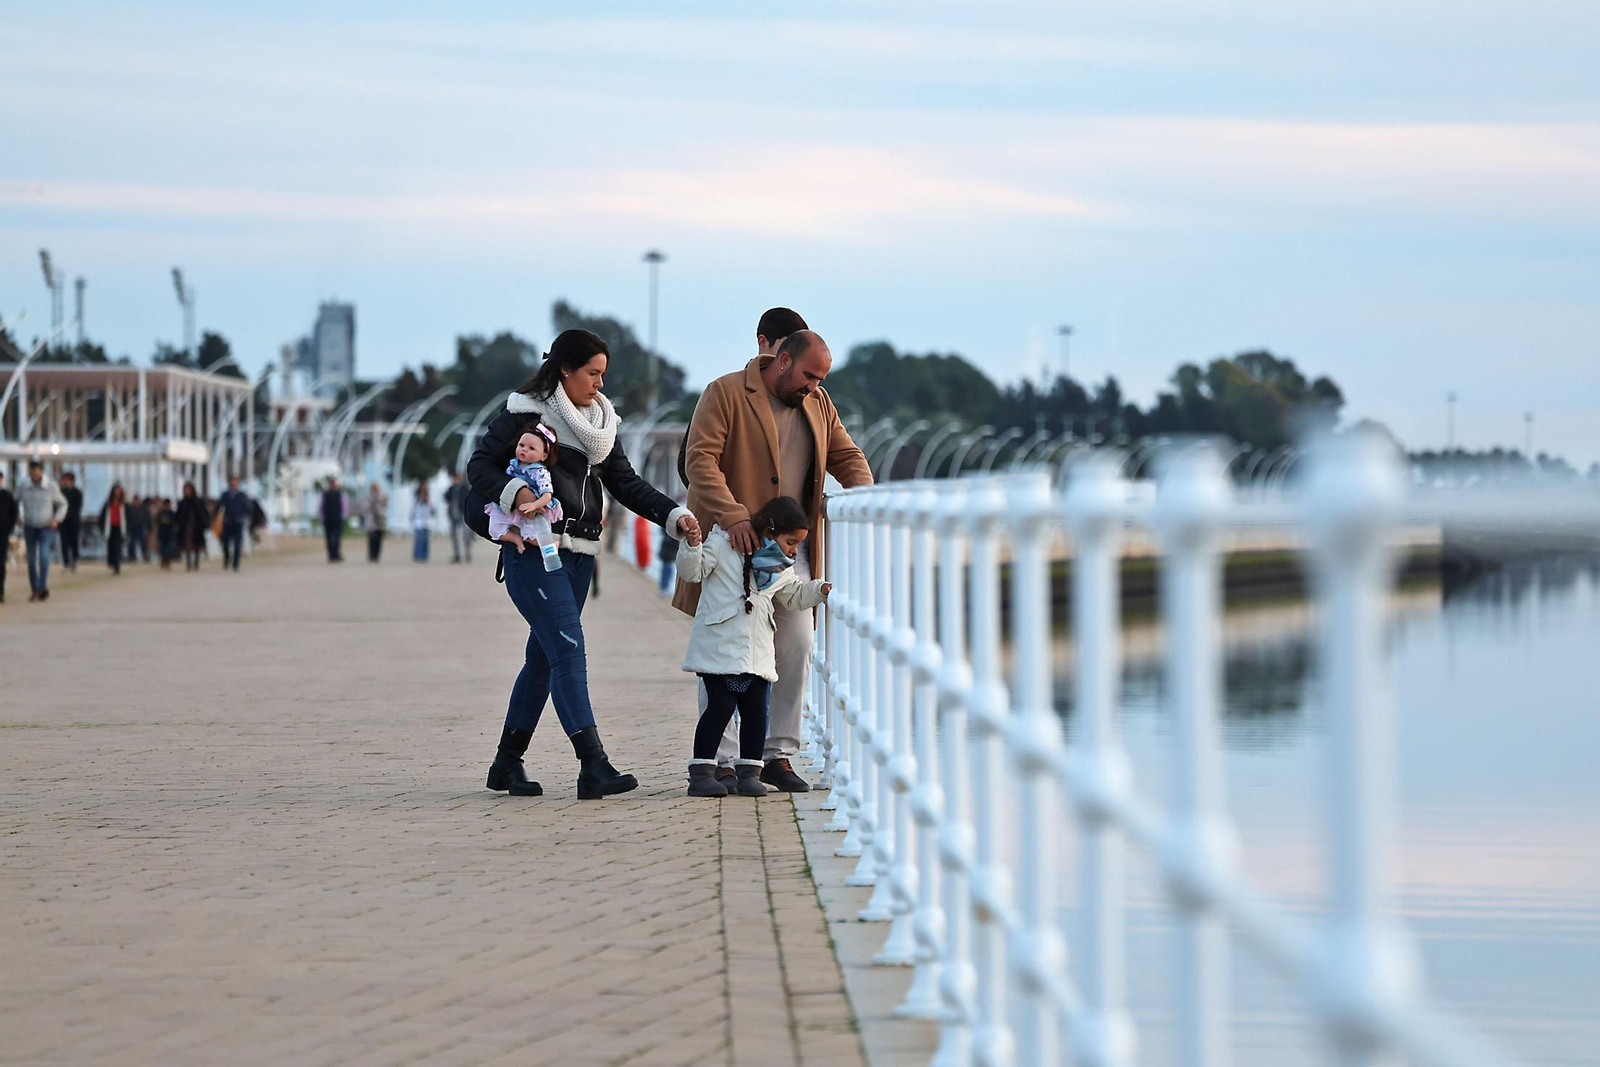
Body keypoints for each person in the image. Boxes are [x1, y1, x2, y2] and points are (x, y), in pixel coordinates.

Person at [467, 327, 700, 799]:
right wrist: (520, 492)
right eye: (592, 373)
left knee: (543, 660)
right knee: (568, 650)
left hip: (580, 558)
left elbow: (626, 483)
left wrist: (675, 517)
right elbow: (480, 468)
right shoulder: (524, 413)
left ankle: (505, 766)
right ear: (565, 370)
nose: (599, 383)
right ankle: (593, 764)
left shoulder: (599, 425)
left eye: (603, 375)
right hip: (535, 552)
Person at [676, 318, 874, 791]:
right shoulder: (723, 393)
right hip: (730, 548)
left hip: (790, 554)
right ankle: (719, 761)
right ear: (782, 360)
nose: (814, 387)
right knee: (724, 655)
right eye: (809, 376)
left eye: (820, 380)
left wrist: (867, 501)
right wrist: (733, 515)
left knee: (797, 645)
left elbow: (848, 458)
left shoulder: (819, 405)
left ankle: (776, 755)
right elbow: (699, 460)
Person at [679, 497, 830, 797]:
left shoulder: (779, 567)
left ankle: (750, 772)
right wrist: (692, 546)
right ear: (770, 530)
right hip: (719, 648)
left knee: (755, 713)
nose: (794, 550)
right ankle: (702, 772)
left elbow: (793, 596)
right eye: (790, 541)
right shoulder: (722, 546)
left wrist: (818, 590)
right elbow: (693, 572)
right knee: (719, 708)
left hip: (757, 653)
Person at [486, 426, 563, 555]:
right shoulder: (512, 465)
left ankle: (552, 545)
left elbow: (547, 495)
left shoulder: (540, 472)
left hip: (533, 509)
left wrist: (534, 504)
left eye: (531, 448)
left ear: (544, 455)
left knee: (532, 537)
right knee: (494, 529)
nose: (524, 450)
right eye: (521, 445)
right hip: (510, 506)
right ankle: (516, 539)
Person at [18, 461, 67, 602]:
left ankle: (41, 586)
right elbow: (14, 502)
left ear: (41, 472)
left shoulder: (50, 486)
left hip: (46, 526)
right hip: (29, 526)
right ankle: (35, 588)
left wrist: (56, 519)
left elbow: (63, 503)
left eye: (37, 473)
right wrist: (19, 518)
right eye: (32, 473)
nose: (35, 476)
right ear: (29, 473)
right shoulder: (24, 486)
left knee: (44, 557)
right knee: (32, 559)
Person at [216, 476, 252, 571]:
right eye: (232, 482)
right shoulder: (225, 495)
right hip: (227, 522)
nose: (233, 484)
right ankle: (227, 558)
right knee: (225, 543)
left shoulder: (241, 496)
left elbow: (248, 508)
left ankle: (236, 563)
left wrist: (244, 516)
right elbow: (219, 507)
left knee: (237, 544)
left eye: (235, 482)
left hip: (238, 522)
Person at [173, 482, 209, 572]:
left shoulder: (198, 501)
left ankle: (196, 562)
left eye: (188, 490)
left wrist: (205, 523)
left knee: (196, 545)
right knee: (187, 544)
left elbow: (203, 513)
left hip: (197, 527)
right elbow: (178, 515)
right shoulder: (182, 503)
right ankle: (189, 563)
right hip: (186, 527)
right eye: (186, 490)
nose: (187, 492)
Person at [99, 483, 129, 575]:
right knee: (111, 546)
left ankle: (117, 565)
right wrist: (102, 527)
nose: (117, 493)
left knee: (118, 547)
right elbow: (102, 517)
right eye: (116, 491)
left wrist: (128, 529)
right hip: (110, 527)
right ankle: (112, 562)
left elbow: (129, 517)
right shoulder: (108, 504)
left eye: (119, 492)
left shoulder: (124, 505)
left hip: (120, 527)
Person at [444, 470, 472, 565]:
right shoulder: (451, 488)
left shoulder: (465, 488)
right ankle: (457, 554)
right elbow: (446, 497)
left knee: (465, 535)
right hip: (453, 514)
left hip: (462, 513)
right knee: (454, 536)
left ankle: (467, 553)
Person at [58, 471, 83, 571]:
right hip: (62, 521)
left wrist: (69, 514)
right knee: (64, 541)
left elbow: (78, 507)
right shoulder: (60, 492)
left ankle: (74, 559)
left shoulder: (77, 492)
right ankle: (66, 562)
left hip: (73, 521)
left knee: (73, 541)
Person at [0, 470, 18, 604]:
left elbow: (14, 513)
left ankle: (0, 591)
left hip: (2, 534)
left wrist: (9, 528)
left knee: (0, 563)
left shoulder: (7, 496)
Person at [320, 477, 346, 562]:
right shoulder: (325, 494)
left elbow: (345, 507)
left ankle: (336, 554)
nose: (333, 485)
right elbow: (321, 507)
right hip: (328, 519)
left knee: (337, 538)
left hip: (338, 519)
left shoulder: (341, 495)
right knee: (329, 538)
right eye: (332, 484)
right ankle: (331, 555)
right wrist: (322, 517)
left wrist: (343, 516)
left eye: (334, 484)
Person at [363, 482, 389, 562]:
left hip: (380, 520)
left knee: (378, 539)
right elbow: (365, 507)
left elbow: (385, 505)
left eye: (376, 487)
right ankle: (371, 555)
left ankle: (376, 556)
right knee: (372, 539)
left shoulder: (382, 496)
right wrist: (372, 504)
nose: (375, 489)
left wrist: (381, 501)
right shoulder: (368, 497)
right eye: (373, 487)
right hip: (371, 520)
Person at [411, 484, 434, 562]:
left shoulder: (429, 499)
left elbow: (432, 510)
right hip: (418, 522)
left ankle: (424, 556)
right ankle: (418, 556)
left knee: (426, 541)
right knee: (419, 540)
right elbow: (414, 510)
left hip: (427, 523)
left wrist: (427, 502)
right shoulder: (416, 499)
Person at [657, 520, 681, 597]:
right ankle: (664, 588)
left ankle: (664, 587)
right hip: (669, 550)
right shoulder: (672, 533)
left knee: (667, 569)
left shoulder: (666, 525)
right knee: (667, 569)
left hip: (669, 549)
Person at [156, 497, 178, 569]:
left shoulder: (172, 513)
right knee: (162, 549)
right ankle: (163, 561)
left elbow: (175, 522)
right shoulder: (160, 513)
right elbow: (157, 521)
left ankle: (167, 561)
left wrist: (168, 522)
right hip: (162, 534)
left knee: (169, 549)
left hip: (170, 534)